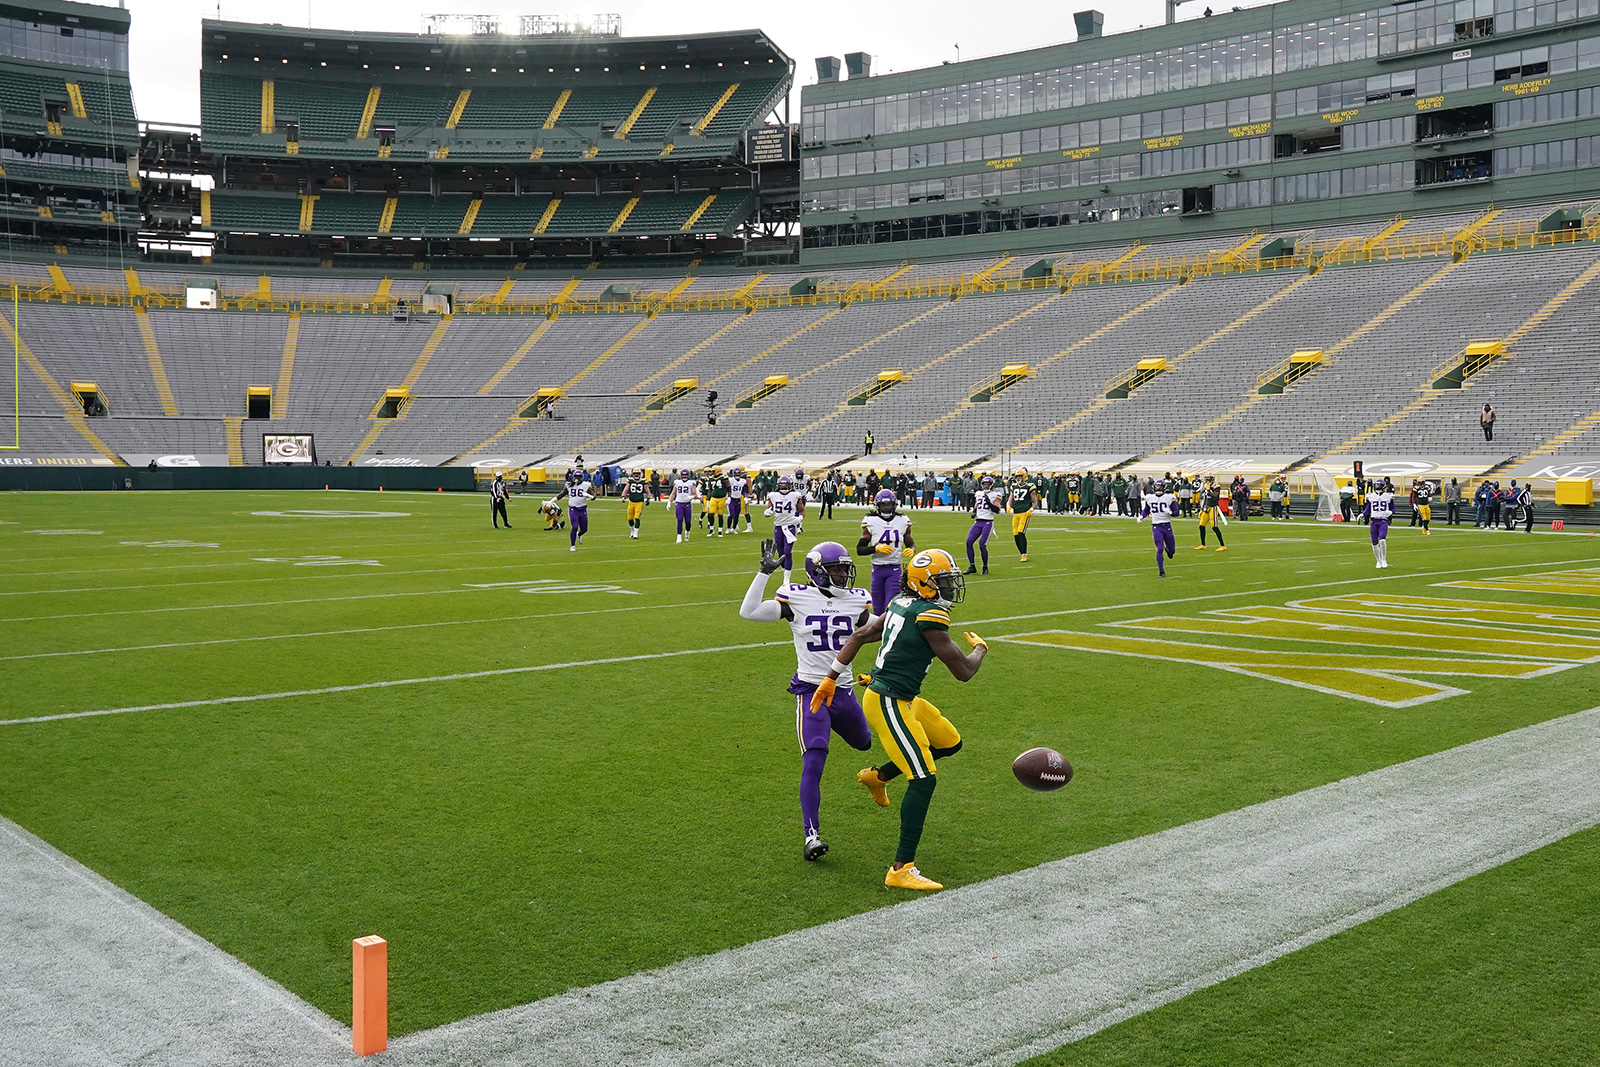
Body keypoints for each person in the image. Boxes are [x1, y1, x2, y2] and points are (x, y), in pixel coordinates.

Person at [813, 548, 984, 891]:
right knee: (923, 779)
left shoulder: (899, 603)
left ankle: (879, 776)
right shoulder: (931, 616)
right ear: (925, 585)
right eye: (944, 581)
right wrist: (980, 649)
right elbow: (963, 672)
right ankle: (901, 868)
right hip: (889, 699)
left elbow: (861, 635)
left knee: (949, 742)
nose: (951, 586)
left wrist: (831, 676)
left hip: (901, 697)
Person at [739, 539, 874, 862]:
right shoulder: (797, 598)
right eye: (836, 570)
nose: (843, 575)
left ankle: (875, 777)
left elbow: (882, 629)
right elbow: (749, 612)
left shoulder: (857, 601)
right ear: (818, 572)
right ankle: (811, 835)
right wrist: (762, 574)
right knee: (814, 759)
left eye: (844, 569)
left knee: (865, 743)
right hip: (812, 692)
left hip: (842, 692)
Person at [859, 488, 914, 613]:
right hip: (877, 569)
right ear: (877, 506)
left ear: (894, 505)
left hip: (894, 569)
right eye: (883, 505)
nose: (886, 508)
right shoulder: (871, 521)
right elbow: (860, 549)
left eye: (889, 505)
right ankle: (879, 632)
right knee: (877, 609)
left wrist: (911, 549)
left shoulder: (903, 520)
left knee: (891, 606)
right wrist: (875, 548)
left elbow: (910, 543)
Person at [766, 474, 807, 585]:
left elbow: (802, 510)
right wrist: (767, 511)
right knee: (780, 553)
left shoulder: (795, 495)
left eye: (785, 485)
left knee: (787, 551)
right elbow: (769, 507)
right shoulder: (773, 495)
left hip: (789, 526)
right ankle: (785, 571)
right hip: (778, 526)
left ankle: (786, 578)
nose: (783, 487)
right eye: (782, 485)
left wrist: (800, 518)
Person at [1140, 477, 1179, 577]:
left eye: (1160, 487)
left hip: (1167, 526)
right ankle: (1161, 571)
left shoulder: (1169, 497)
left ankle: (1169, 551)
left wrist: (1170, 512)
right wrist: (1141, 516)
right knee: (1159, 548)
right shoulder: (1150, 497)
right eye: (1156, 487)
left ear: (1164, 487)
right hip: (1156, 526)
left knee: (1172, 551)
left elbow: (1176, 512)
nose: (1158, 489)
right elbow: (1146, 510)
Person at [965, 475, 1002, 575]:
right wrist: (974, 511)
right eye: (984, 484)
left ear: (991, 485)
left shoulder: (996, 494)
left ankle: (985, 567)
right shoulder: (978, 493)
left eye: (988, 484)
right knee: (969, 542)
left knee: (982, 544)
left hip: (988, 522)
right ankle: (972, 566)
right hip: (978, 522)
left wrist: (989, 502)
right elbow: (977, 503)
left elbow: (997, 510)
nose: (986, 486)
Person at [1362, 477, 1395, 568]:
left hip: (1383, 520)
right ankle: (1378, 560)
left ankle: (1384, 559)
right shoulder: (1371, 496)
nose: (1377, 487)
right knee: (1374, 542)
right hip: (1374, 520)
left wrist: (1391, 512)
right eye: (1376, 485)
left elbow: (1393, 508)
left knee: (1383, 539)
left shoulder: (1388, 495)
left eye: (1379, 485)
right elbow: (1368, 508)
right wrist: (1363, 514)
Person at [1008, 471, 1036, 562]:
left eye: (1020, 476)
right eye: (1017, 477)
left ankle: (1024, 554)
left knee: (1021, 532)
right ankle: (1021, 553)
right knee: (1015, 534)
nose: (1018, 478)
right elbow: (1011, 498)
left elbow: (1035, 501)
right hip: (1015, 513)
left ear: (1024, 477)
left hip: (1024, 513)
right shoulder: (1014, 486)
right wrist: (1008, 505)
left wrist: (1031, 509)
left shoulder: (1030, 487)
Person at [1195, 476, 1227, 551]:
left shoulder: (1216, 486)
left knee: (1214, 527)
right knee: (1201, 526)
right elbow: (1206, 498)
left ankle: (1222, 545)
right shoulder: (1206, 486)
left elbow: (1215, 497)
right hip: (1207, 508)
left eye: (1208, 479)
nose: (1207, 481)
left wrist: (1208, 490)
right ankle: (1203, 544)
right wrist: (1202, 509)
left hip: (1213, 508)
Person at [565, 469, 594, 551]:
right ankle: (572, 545)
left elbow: (593, 497)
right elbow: (561, 494)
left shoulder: (586, 485)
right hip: (573, 508)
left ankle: (579, 534)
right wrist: (551, 501)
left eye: (579, 477)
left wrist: (587, 495)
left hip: (582, 508)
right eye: (576, 476)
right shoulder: (569, 485)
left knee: (584, 529)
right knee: (574, 527)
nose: (577, 478)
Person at [671, 468, 698, 543]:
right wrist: (669, 502)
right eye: (683, 475)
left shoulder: (691, 483)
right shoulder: (677, 482)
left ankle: (687, 532)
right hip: (679, 503)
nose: (684, 476)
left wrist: (691, 497)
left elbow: (695, 494)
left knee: (688, 522)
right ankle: (679, 536)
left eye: (686, 475)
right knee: (679, 520)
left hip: (687, 504)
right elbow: (673, 493)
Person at [624, 469, 648, 539]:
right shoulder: (630, 481)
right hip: (631, 501)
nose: (636, 475)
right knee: (630, 518)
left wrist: (648, 498)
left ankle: (635, 533)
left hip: (639, 502)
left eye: (638, 473)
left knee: (637, 517)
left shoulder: (643, 482)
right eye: (635, 473)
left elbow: (647, 491)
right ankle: (632, 530)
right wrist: (623, 496)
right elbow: (626, 489)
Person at [704, 467, 729, 536]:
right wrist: (708, 500)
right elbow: (710, 490)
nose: (712, 473)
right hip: (713, 498)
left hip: (722, 498)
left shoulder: (724, 478)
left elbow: (728, 488)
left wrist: (728, 497)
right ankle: (711, 530)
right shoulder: (711, 479)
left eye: (713, 471)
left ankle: (720, 531)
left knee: (720, 515)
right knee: (711, 513)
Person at [728, 467, 749, 534]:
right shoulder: (730, 480)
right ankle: (728, 528)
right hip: (732, 499)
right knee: (731, 514)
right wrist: (728, 496)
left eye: (738, 473)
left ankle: (734, 528)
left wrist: (745, 497)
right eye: (736, 473)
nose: (737, 475)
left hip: (738, 499)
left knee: (737, 515)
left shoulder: (742, 481)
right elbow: (727, 488)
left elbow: (744, 490)